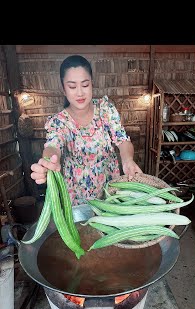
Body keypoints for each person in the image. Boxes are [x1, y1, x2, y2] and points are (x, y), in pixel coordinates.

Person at [30, 55, 142, 206]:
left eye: (85, 84)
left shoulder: (105, 109)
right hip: (77, 196)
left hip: (109, 189)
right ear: (63, 89)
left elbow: (122, 140)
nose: (80, 93)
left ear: (92, 84)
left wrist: (128, 160)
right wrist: (49, 162)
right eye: (72, 86)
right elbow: (52, 146)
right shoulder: (59, 121)